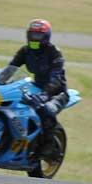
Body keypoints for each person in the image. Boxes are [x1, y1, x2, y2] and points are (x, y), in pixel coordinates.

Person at [7, 19, 68, 156]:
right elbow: (11, 68)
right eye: (32, 35)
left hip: (57, 92)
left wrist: (45, 95)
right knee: (15, 100)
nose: (35, 38)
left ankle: (49, 145)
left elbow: (56, 79)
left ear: (46, 37)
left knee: (46, 109)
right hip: (37, 87)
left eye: (38, 35)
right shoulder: (25, 51)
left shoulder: (54, 53)